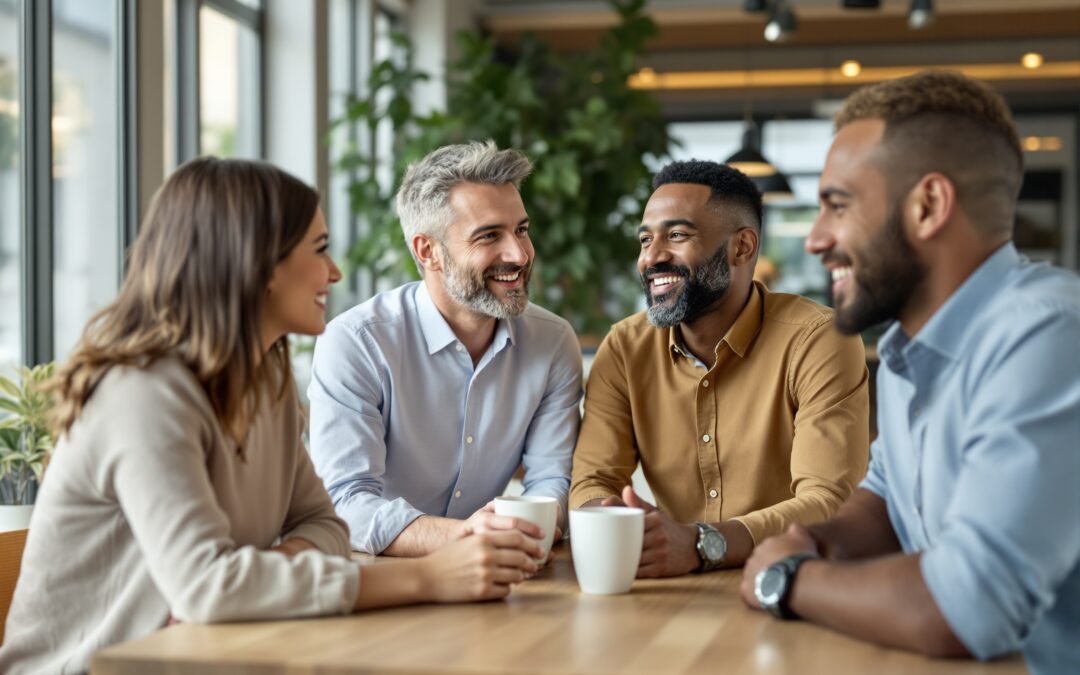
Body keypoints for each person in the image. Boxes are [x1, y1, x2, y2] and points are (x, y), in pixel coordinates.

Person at [0, 158, 542, 675]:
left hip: (208, 656)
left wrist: (264, 576)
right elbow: (208, 587)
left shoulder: (264, 382)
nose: (334, 272)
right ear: (255, 264)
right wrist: (427, 578)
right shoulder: (141, 394)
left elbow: (326, 525)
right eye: (319, 249)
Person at [740, 71, 1080, 675]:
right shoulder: (905, 348)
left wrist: (789, 580)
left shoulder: (1048, 334)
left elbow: (970, 605)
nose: (815, 239)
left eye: (838, 206)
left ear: (928, 207)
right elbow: (887, 503)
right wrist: (815, 541)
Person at [570, 160, 870, 577]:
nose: (651, 257)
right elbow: (592, 481)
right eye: (645, 239)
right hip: (670, 587)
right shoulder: (624, 348)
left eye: (677, 235)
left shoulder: (818, 340)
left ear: (742, 247)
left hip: (793, 579)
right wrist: (621, 527)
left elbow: (828, 501)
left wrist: (702, 543)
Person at [308, 140, 582, 556]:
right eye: (489, 235)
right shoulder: (357, 343)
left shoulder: (553, 342)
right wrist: (468, 538)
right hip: (376, 573)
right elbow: (344, 503)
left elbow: (553, 483)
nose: (520, 254)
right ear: (428, 251)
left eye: (522, 230)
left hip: (495, 571)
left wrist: (518, 534)